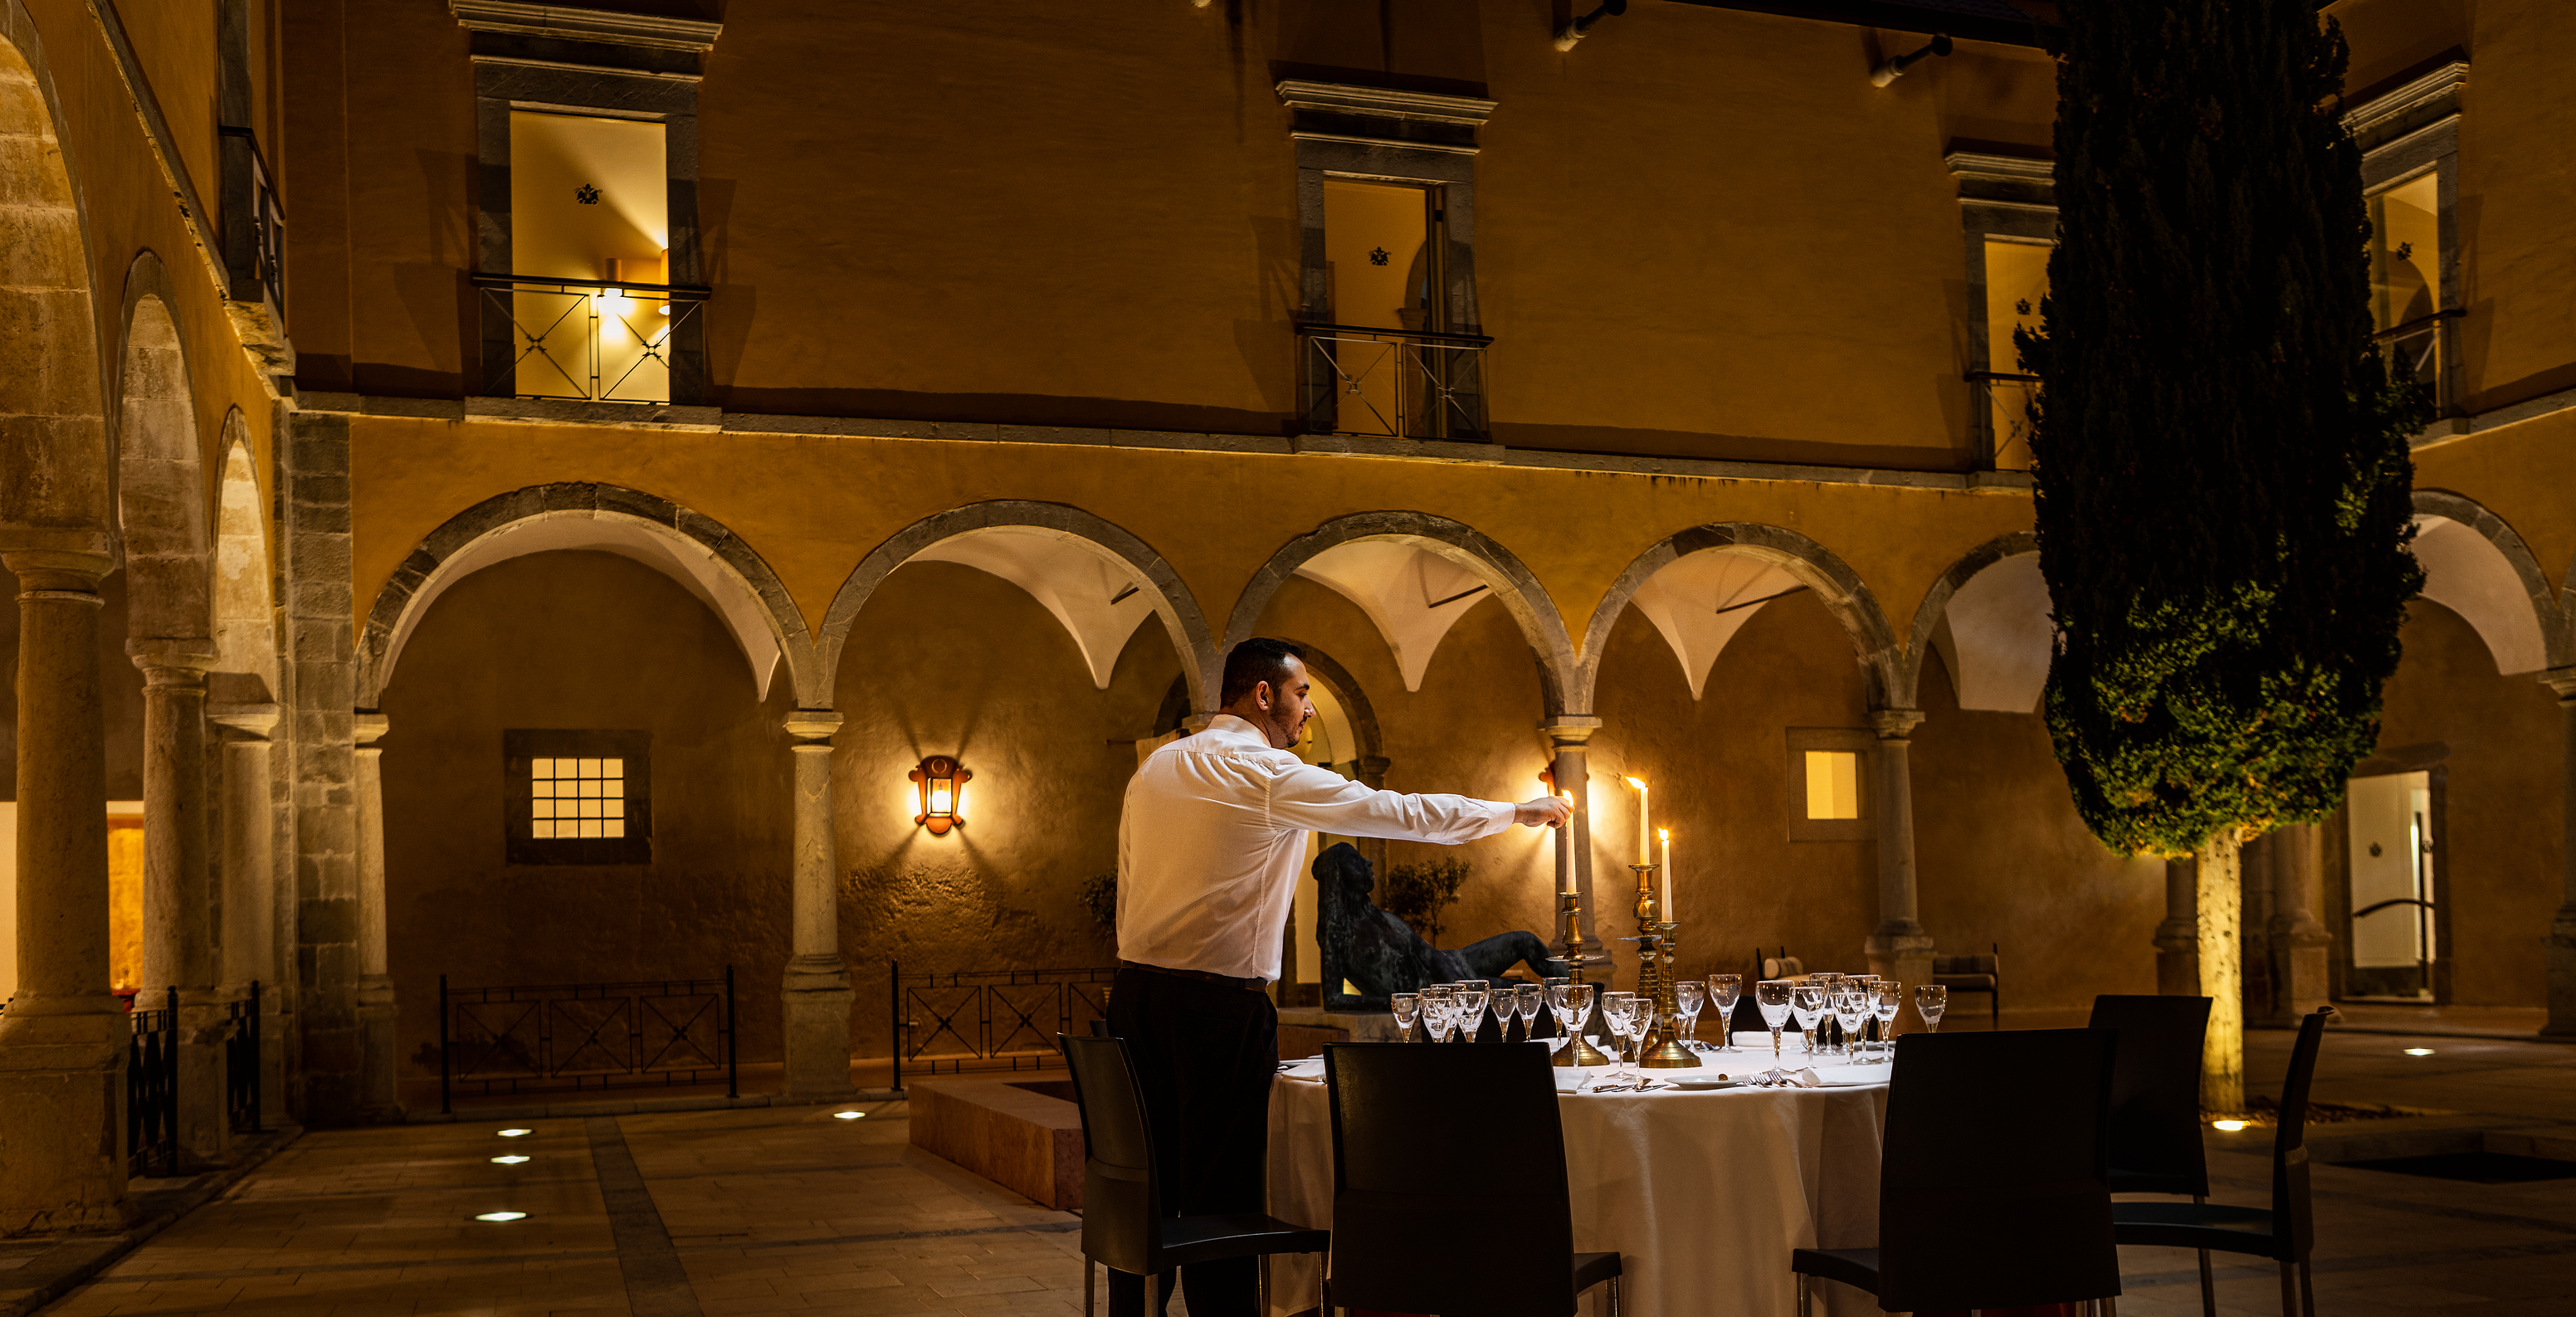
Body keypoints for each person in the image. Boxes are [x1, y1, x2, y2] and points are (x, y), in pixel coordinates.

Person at [1106, 637, 1571, 1317]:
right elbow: (1402, 812)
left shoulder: (1154, 771)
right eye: (1301, 696)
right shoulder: (1265, 773)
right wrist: (1512, 812)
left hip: (1135, 999)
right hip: (1218, 1015)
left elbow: (1128, 885)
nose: (1309, 714)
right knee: (1221, 1196)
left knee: (1145, 1189)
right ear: (1263, 694)